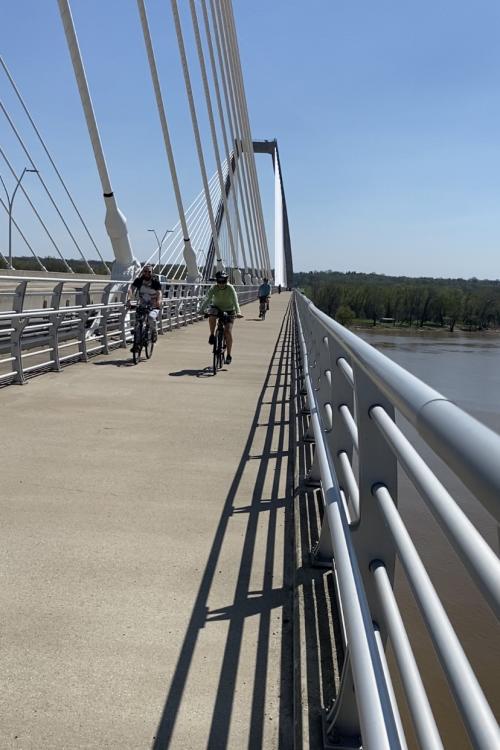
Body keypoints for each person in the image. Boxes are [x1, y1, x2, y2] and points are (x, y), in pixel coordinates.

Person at [199, 271, 243, 364]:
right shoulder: (214, 288)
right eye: (219, 281)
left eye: (224, 281)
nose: (222, 284)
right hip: (217, 308)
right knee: (211, 316)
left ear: (227, 281)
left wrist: (238, 312)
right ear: (217, 281)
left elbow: (235, 301)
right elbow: (208, 299)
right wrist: (201, 309)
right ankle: (212, 334)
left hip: (229, 310)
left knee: (228, 332)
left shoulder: (230, 288)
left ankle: (229, 355)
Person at [128, 264, 162, 350]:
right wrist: (128, 299)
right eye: (145, 271)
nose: (147, 273)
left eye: (149, 272)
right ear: (143, 272)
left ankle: (154, 331)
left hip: (153, 304)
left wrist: (158, 301)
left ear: (152, 272)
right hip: (142, 303)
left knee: (150, 317)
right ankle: (137, 344)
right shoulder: (139, 280)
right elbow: (131, 289)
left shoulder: (155, 281)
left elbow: (159, 293)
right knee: (138, 322)